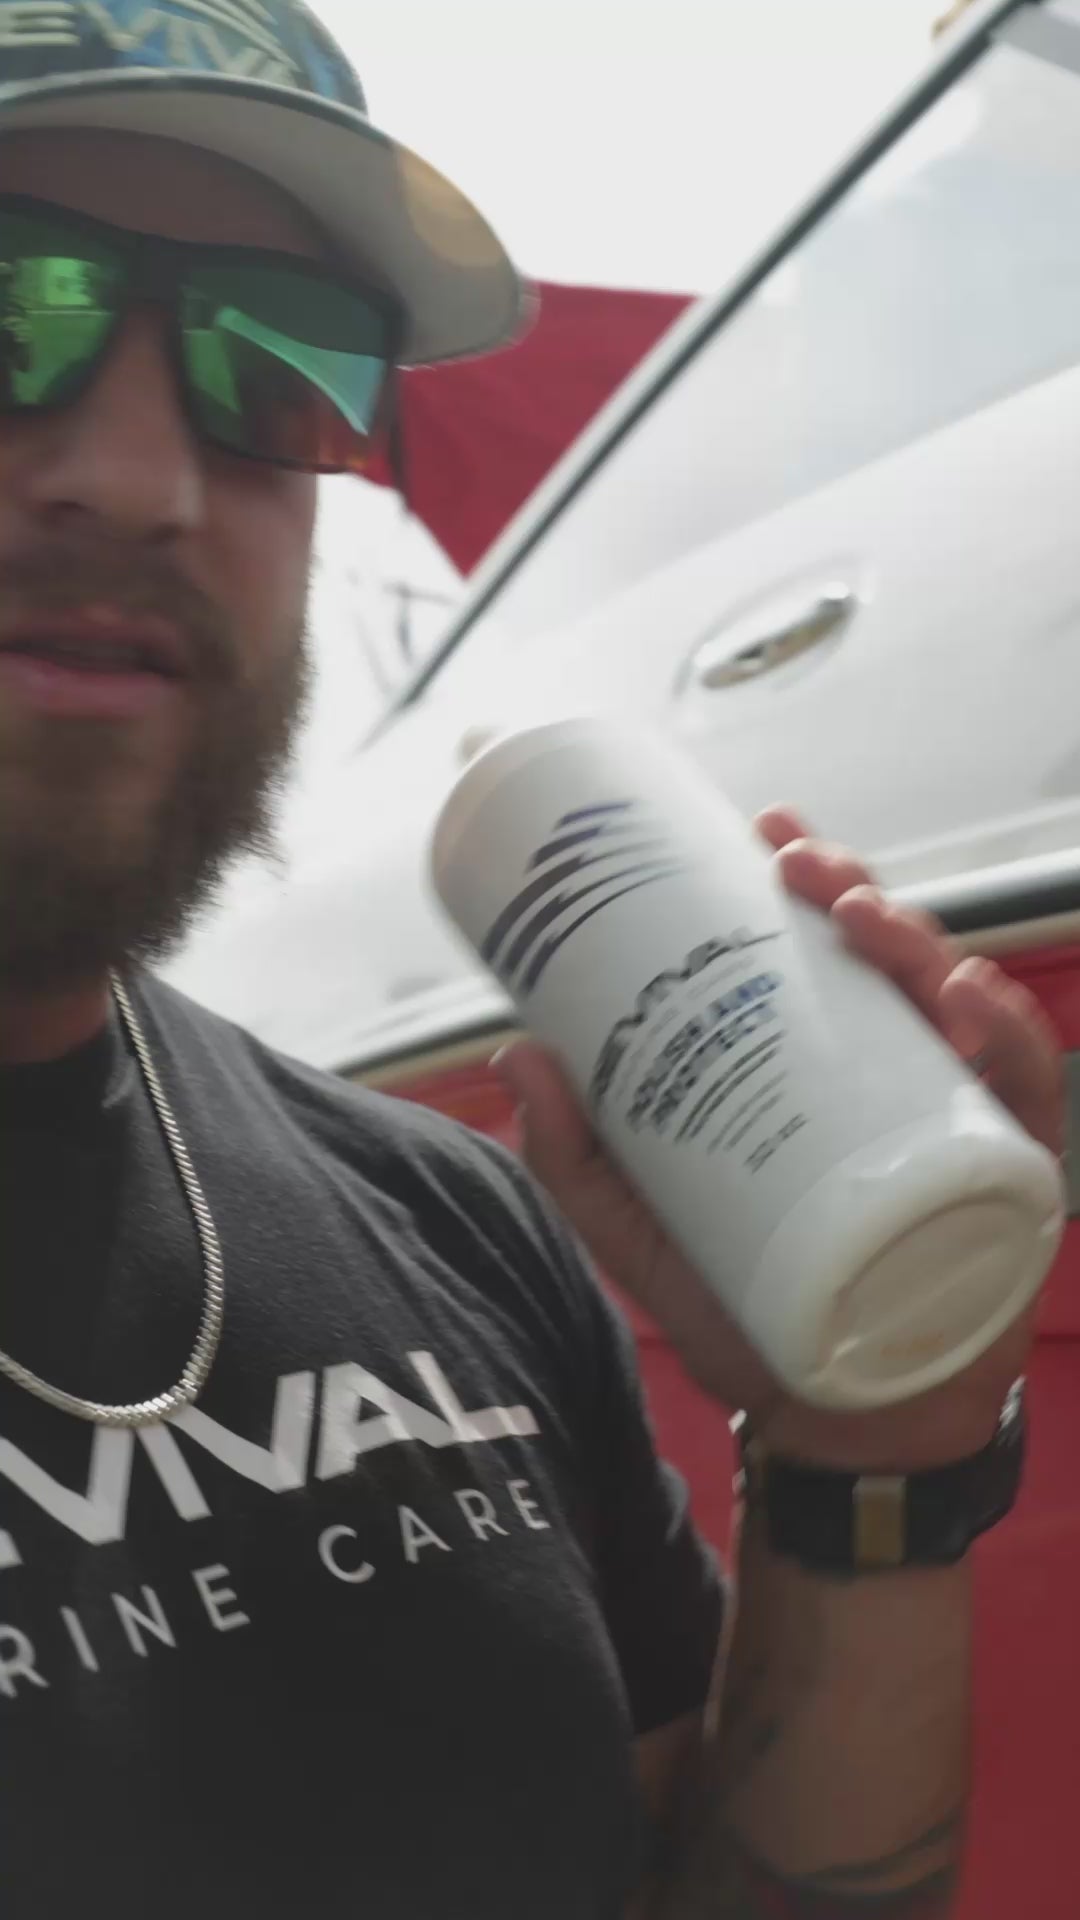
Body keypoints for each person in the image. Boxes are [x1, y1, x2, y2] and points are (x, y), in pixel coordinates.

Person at [0, 8, 1064, 1919]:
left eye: (280, 362)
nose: (144, 477)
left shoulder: (449, 1215)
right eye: (14, 304)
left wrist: (866, 1464)